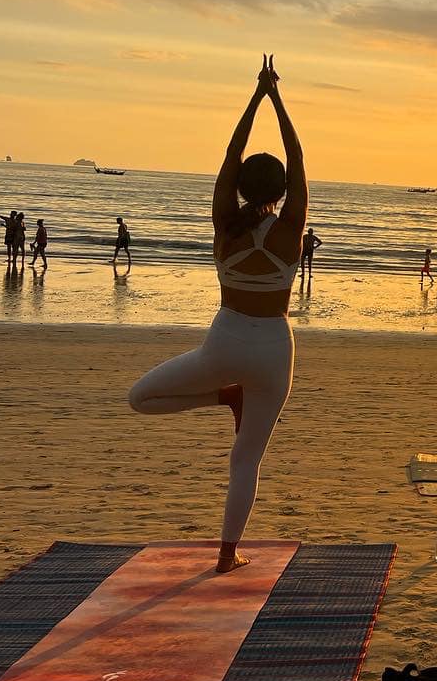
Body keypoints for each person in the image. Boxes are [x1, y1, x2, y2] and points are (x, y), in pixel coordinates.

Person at [127, 55, 307, 573]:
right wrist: (277, 98)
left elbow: (232, 153)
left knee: (140, 399)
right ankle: (227, 555)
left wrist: (256, 95)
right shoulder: (289, 228)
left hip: (224, 343)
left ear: (243, 188)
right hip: (273, 350)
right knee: (245, 460)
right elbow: (297, 159)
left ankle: (221, 396)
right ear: (280, 193)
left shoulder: (223, 222)